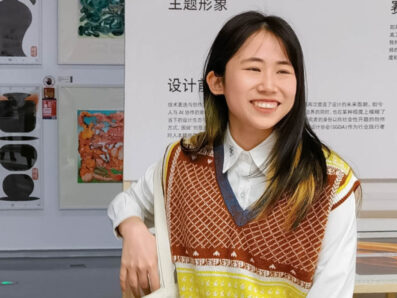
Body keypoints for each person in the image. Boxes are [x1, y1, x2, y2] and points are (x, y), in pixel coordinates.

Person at [108, 11, 361, 298]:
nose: (269, 85)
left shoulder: (329, 181)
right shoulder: (183, 160)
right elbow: (127, 202)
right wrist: (133, 231)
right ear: (217, 82)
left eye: (283, 71)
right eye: (253, 69)